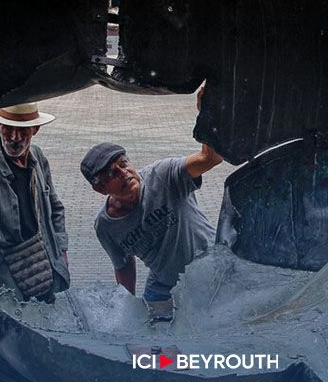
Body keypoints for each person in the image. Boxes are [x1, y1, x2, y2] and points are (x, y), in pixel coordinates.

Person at [82, 95, 223, 322]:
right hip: (164, 287)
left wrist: (208, 111)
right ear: (100, 189)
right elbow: (124, 265)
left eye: (123, 164)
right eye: (112, 174)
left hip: (213, 272)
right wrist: (127, 312)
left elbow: (210, 158)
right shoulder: (106, 226)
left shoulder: (164, 175)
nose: (124, 173)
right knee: (160, 348)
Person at [0, 103, 70, 303]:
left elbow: (55, 208)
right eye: (8, 128)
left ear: (35, 129)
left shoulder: (38, 157)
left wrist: (62, 253)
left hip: (47, 263)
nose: (14, 138)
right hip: (6, 273)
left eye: (22, 130)